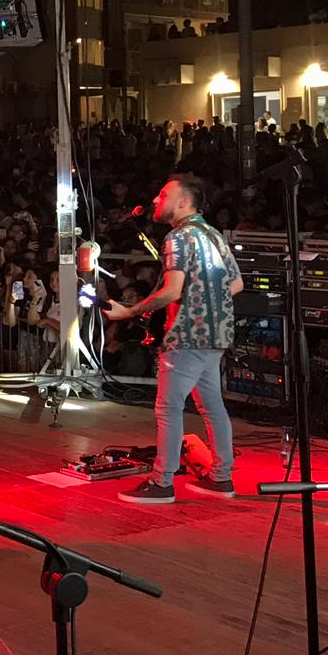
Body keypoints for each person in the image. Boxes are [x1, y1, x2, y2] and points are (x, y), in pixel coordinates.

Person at [106, 173, 242, 502]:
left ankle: (161, 483)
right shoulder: (214, 235)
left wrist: (129, 311)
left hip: (187, 335)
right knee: (212, 407)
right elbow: (236, 284)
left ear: (183, 202)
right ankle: (221, 478)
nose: (156, 199)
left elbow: (172, 291)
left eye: (164, 195)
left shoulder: (178, 237)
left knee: (168, 409)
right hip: (216, 334)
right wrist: (207, 304)